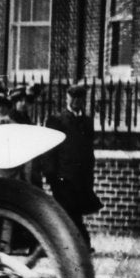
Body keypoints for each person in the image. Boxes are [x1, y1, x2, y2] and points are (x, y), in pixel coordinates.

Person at [42, 84, 101, 251]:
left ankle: (71, 244)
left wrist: (89, 175)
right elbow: (49, 149)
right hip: (62, 176)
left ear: (83, 100)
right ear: (67, 98)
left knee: (75, 210)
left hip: (81, 177)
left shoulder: (87, 122)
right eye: (73, 97)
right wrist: (51, 174)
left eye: (80, 98)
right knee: (68, 210)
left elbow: (88, 150)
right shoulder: (57, 120)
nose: (76, 102)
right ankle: (81, 243)